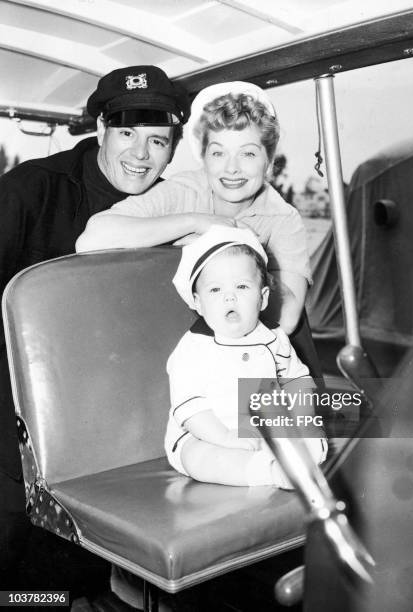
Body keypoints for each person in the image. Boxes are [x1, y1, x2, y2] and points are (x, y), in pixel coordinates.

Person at [0, 64, 189, 590]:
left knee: (73, 571)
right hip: (17, 406)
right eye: (126, 133)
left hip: (120, 420)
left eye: (158, 139)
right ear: (100, 130)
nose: (140, 154)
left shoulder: (173, 208)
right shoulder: (30, 191)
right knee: (13, 549)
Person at [76, 82, 311, 335]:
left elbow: (286, 318)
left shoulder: (283, 218)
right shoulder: (184, 190)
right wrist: (196, 223)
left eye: (248, 154)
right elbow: (91, 240)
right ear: (204, 158)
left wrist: (238, 250)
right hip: (165, 330)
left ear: (269, 161)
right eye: (218, 153)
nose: (232, 168)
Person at [166, 226, 327, 488]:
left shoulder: (275, 338)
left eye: (242, 286)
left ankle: (297, 463)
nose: (230, 296)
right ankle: (269, 473)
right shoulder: (194, 347)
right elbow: (190, 408)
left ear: (263, 298)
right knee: (199, 458)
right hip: (207, 433)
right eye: (215, 290)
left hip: (269, 425)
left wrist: (302, 418)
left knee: (314, 438)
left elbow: (296, 379)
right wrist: (226, 437)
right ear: (197, 302)